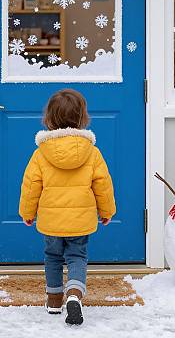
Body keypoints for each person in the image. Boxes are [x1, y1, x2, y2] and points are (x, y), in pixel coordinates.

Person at [19, 88, 116, 325]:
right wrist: (106, 211)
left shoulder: (41, 153)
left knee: (52, 257)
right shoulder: (92, 152)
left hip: (51, 221)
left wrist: (27, 212)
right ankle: (74, 295)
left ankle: (54, 301)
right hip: (81, 220)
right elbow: (103, 184)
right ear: (83, 118)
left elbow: (31, 186)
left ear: (49, 119)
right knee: (77, 256)